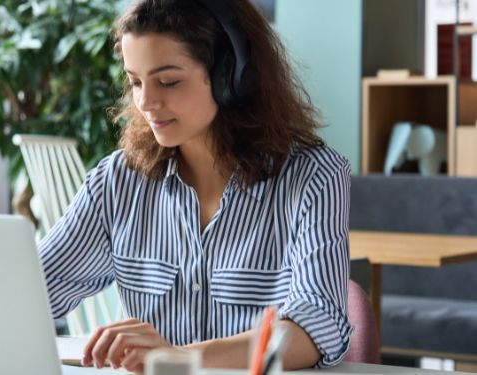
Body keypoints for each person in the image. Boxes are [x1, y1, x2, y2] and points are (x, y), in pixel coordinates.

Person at [38, 0, 352, 373]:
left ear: (231, 77)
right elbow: (33, 292)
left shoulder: (314, 177)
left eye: (168, 81)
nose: (146, 102)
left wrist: (179, 359)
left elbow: (319, 326)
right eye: (136, 81)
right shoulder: (117, 183)